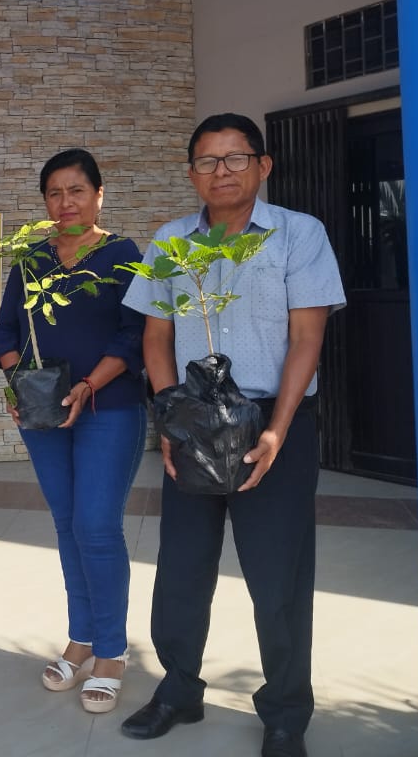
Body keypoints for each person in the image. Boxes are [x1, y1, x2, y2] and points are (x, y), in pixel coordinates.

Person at [119, 113, 345, 757]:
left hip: (275, 420)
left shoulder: (299, 235)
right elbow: (155, 338)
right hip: (192, 422)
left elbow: (307, 338)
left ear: (263, 166)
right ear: (192, 173)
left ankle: (285, 713)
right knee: (182, 567)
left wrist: (276, 432)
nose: (222, 171)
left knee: (278, 577)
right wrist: (170, 419)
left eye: (235, 158)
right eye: (207, 161)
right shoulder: (171, 242)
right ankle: (179, 689)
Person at [0, 148, 147, 714]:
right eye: (54, 193)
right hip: (45, 415)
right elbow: (5, 333)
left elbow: (134, 334)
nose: (65, 202)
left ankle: (111, 652)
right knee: (66, 524)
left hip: (110, 407)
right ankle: (81, 639)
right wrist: (23, 385)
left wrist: (87, 386)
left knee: (96, 526)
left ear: (99, 195)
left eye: (76, 190)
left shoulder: (122, 254)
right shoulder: (32, 260)